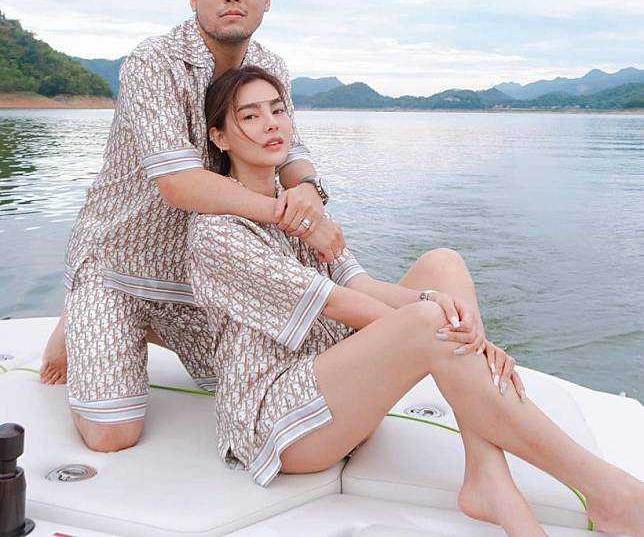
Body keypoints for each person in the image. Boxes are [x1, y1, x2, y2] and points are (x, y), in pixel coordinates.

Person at [188, 65, 644, 536]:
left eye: (278, 110)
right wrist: (460, 336)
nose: (271, 124)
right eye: (250, 116)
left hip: (340, 394)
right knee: (431, 320)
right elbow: (339, 304)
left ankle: (488, 476)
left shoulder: (299, 207)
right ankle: (611, 494)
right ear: (219, 137)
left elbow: (360, 284)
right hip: (283, 425)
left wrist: (441, 308)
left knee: (443, 266)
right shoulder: (217, 233)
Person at [39, 0, 345, 452]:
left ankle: (143, 328)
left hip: (199, 270)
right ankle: (83, 312)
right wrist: (292, 218)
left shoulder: (270, 65)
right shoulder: (152, 61)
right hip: (118, 262)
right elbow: (178, 183)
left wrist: (311, 193)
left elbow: (293, 151)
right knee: (112, 434)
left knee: (235, 382)